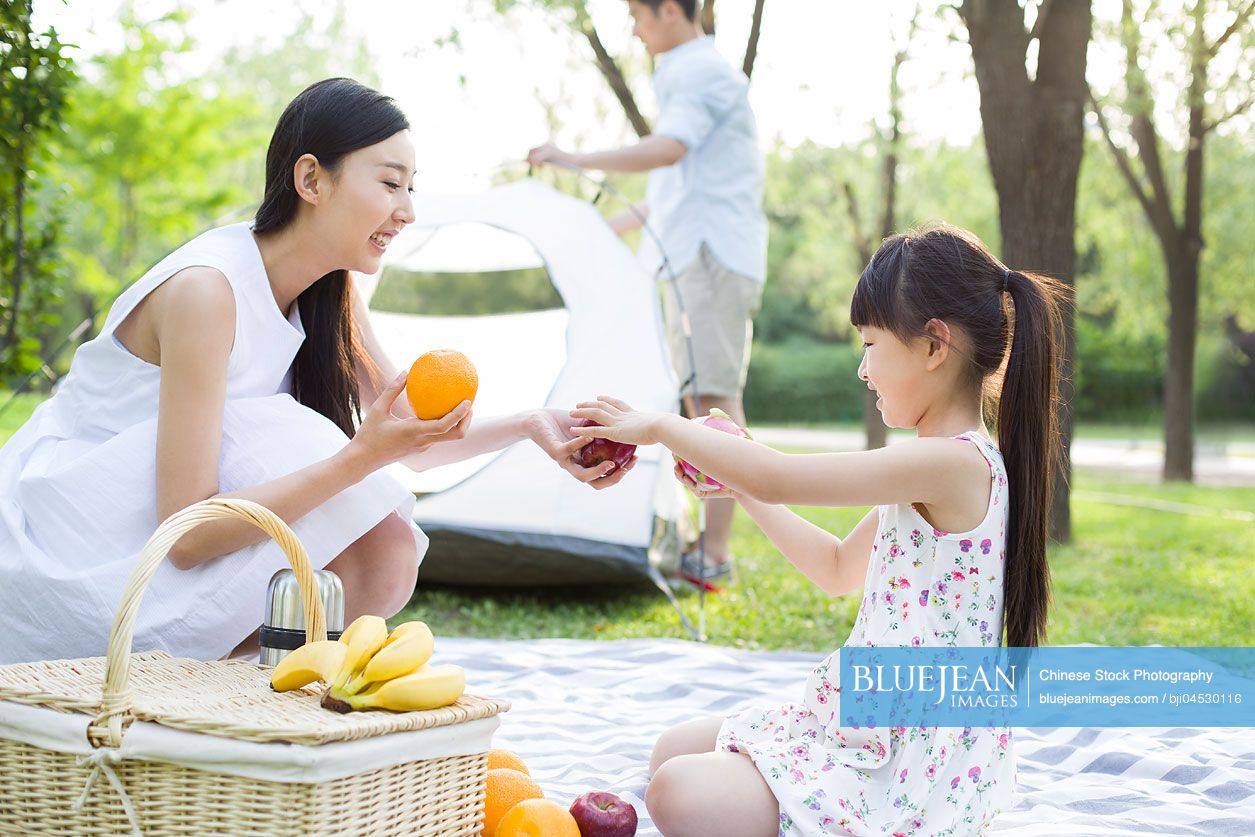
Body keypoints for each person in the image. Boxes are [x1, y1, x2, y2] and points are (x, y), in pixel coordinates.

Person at [0, 78, 632, 666]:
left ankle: (258, 696)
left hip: (168, 528)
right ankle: (198, 691)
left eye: (412, 187)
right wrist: (359, 456)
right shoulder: (207, 292)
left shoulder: (334, 291)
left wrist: (533, 423)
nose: (408, 209)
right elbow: (184, 534)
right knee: (291, 436)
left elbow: (414, 441)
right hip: (80, 532)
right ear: (310, 179)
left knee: (381, 548)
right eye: (390, 183)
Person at [569, 224, 1067, 835]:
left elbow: (780, 476)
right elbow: (833, 567)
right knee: (670, 752)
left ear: (935, 346)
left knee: (674, 789)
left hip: (907, 767)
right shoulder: (931, 469)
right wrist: (738, 483)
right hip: (861, 721)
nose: (863, 369)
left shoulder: (953, 463)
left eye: (871, 345)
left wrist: (662, 427)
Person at [527, 0, 767, 585]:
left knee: (714, 400)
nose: (633, 29)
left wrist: (571, 157)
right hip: (691, 258)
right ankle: (703, 545)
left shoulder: (698, 70)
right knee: (695, 400)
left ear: (668, 11)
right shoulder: (681, 73)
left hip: (712, 258)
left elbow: (669, 149)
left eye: (638, 13)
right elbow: (670, 189)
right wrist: (596, 232)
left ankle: (715, 556)